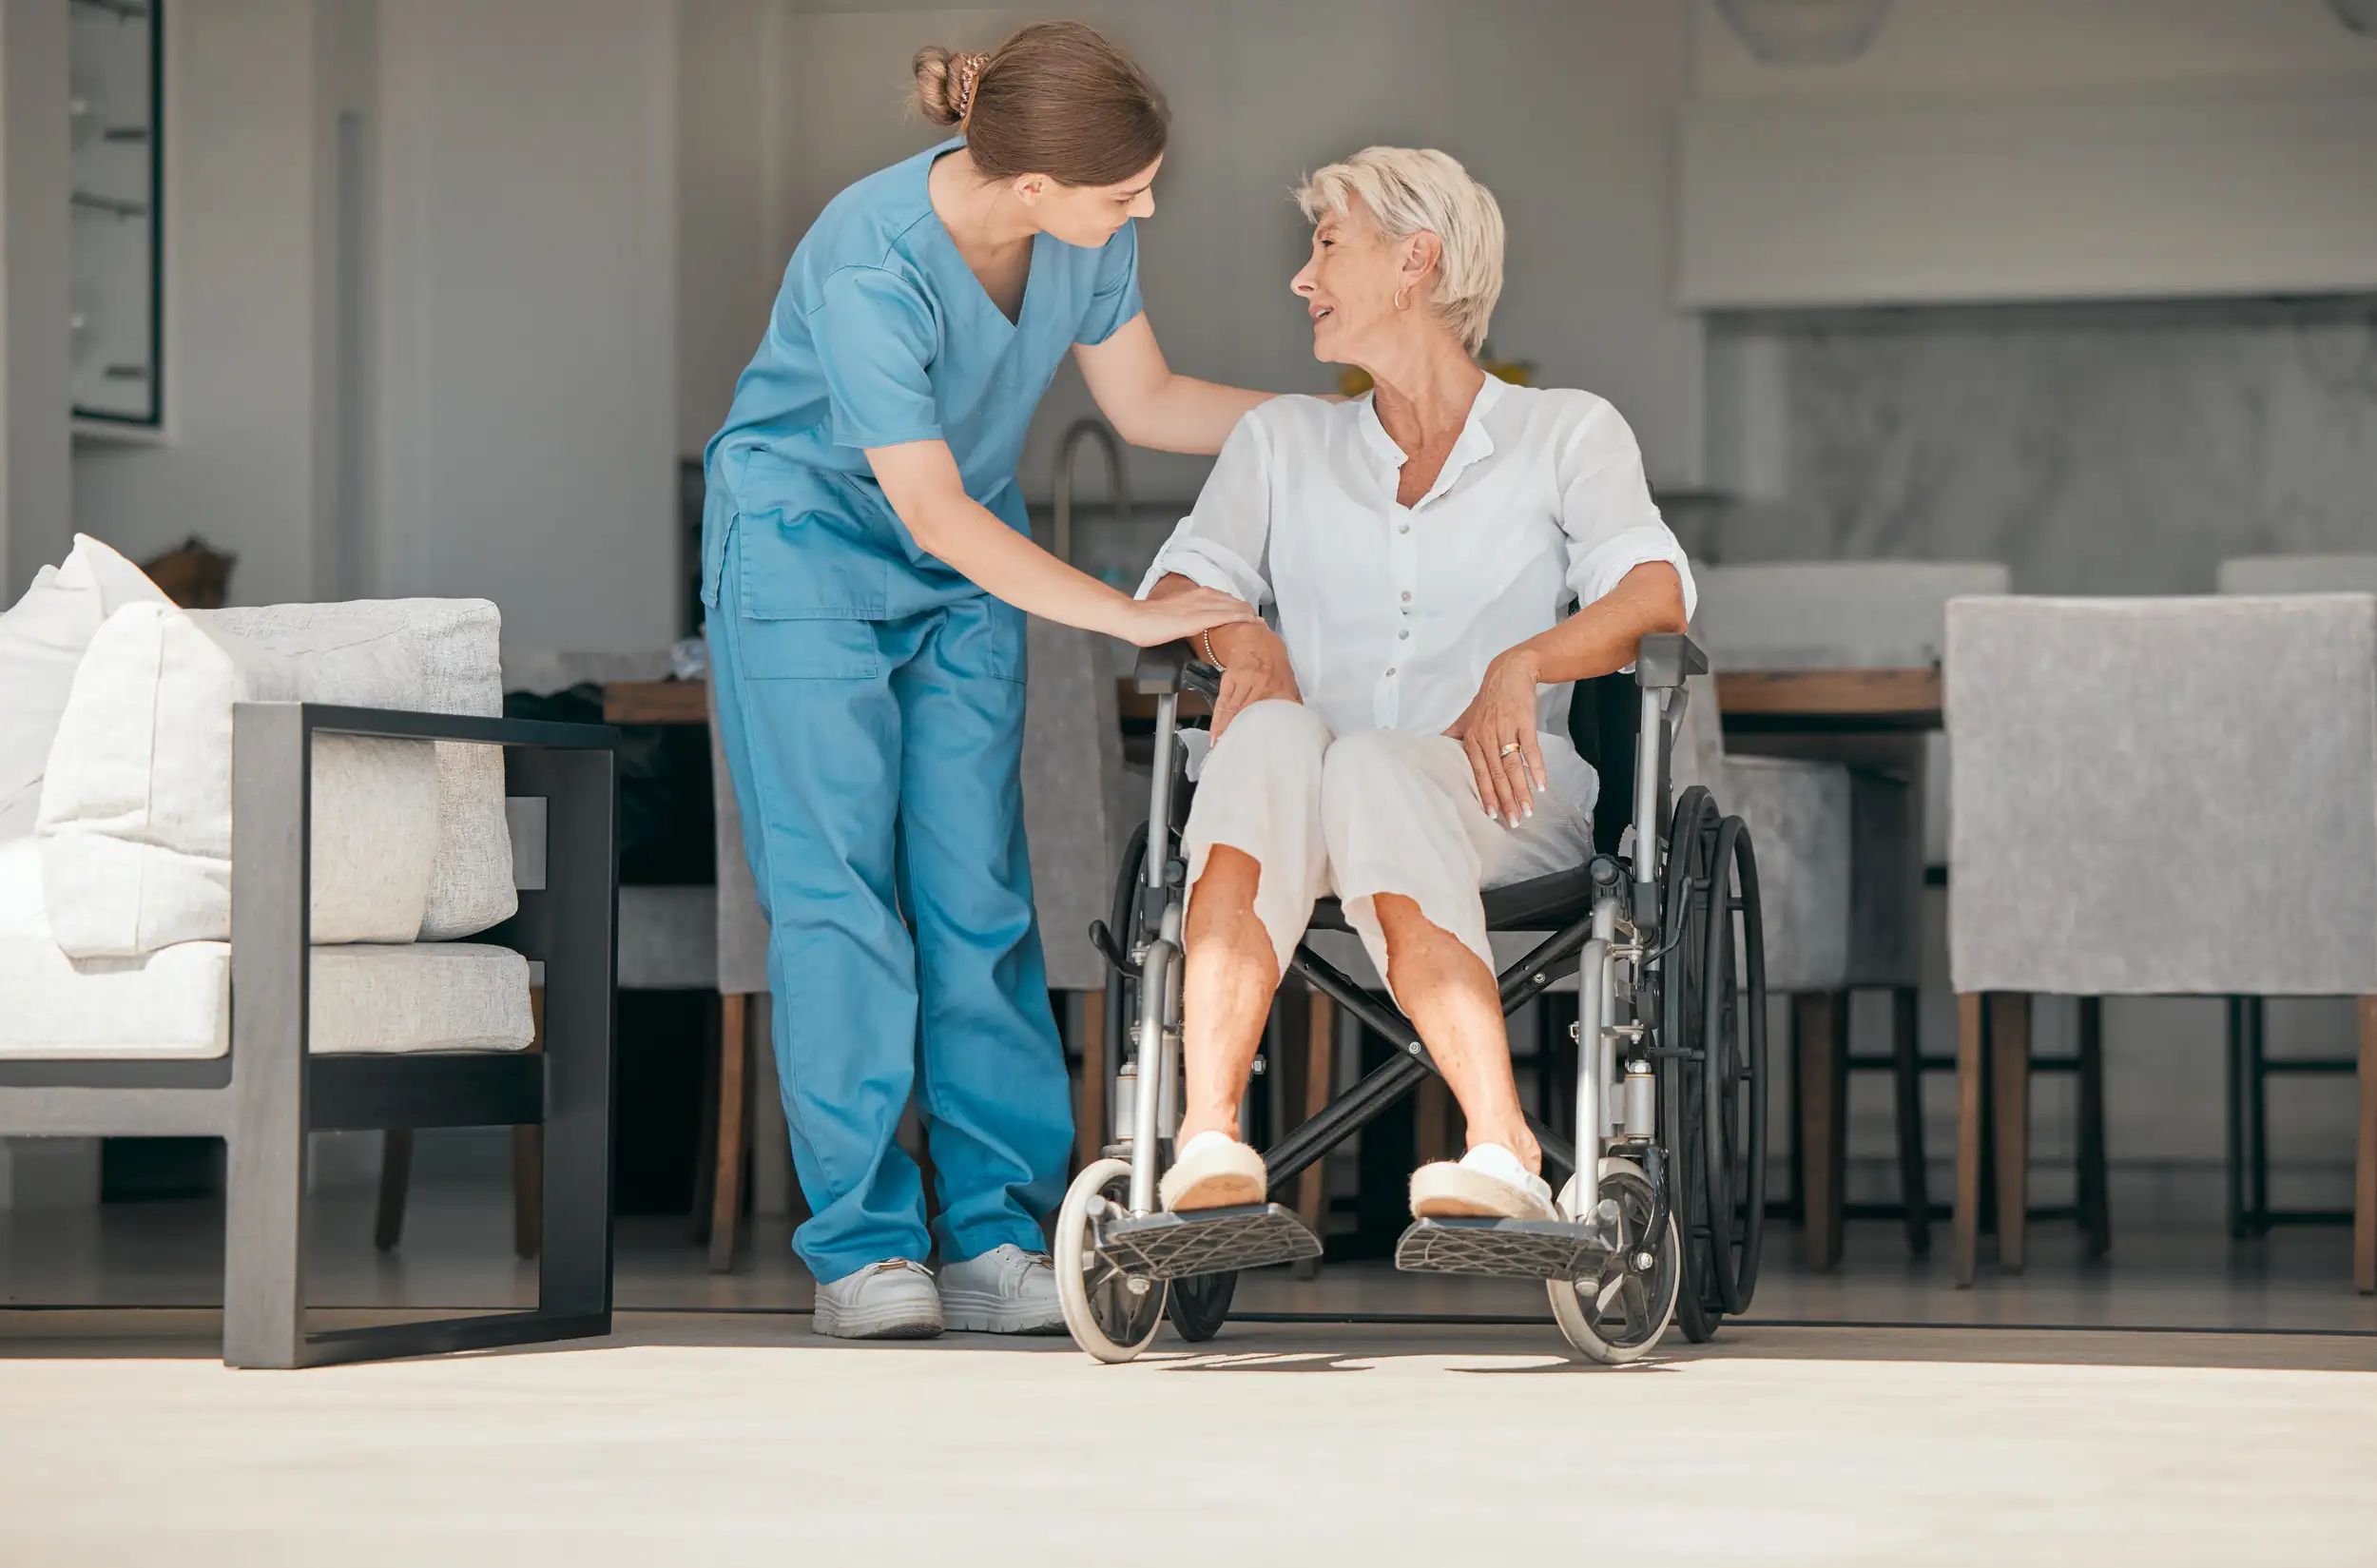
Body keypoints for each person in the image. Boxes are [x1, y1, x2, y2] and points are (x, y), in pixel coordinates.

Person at [704, 22, 1274, 1339]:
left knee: (981, 896)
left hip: (967, 562)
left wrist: (1339, 412)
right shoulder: (869, 259)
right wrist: (1130, 616)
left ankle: (997, 1235)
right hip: (806, 547)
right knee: (840, 895)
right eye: (1123, 193)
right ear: (1030, 187)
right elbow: (932, 508)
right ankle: (861, 1249)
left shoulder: (1084, 235)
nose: (1142, 210)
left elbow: (1150, 401)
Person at [1137, 146, 1695, 1223]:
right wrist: (1241, 638)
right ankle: (1208, 1137)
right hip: (1293, 811)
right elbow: (1180, 584)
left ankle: (1502, 1146)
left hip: (1494, 805)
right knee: (1268, 740)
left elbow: (1653, 590)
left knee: (1380, 766)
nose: (1302, 277)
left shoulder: (1564, 431)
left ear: (1414, 262)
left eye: (1327, 245)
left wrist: (1523, 659)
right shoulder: (1282, 441)